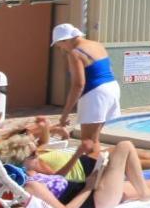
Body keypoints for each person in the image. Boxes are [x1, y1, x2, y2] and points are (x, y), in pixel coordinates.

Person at [0, 133, 150, 208]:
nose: (38, 153)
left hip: (94, 192)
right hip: (94, 200)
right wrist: (88, 185)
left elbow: (59, 181)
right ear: (20, 161)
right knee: (124, 147)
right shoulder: (32, 185)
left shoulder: (34, 173)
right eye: (33, 153)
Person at [52, 23, 122, 161]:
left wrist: (64, 115)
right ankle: (99, 168)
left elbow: (78, 85)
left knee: (88, 142)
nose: (61, 49)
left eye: (60, 46)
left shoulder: (75, 53)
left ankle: (95, 174)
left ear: (65, 40)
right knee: (94, 140)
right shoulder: (97, 45)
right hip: (112, 88)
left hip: (96, 92)